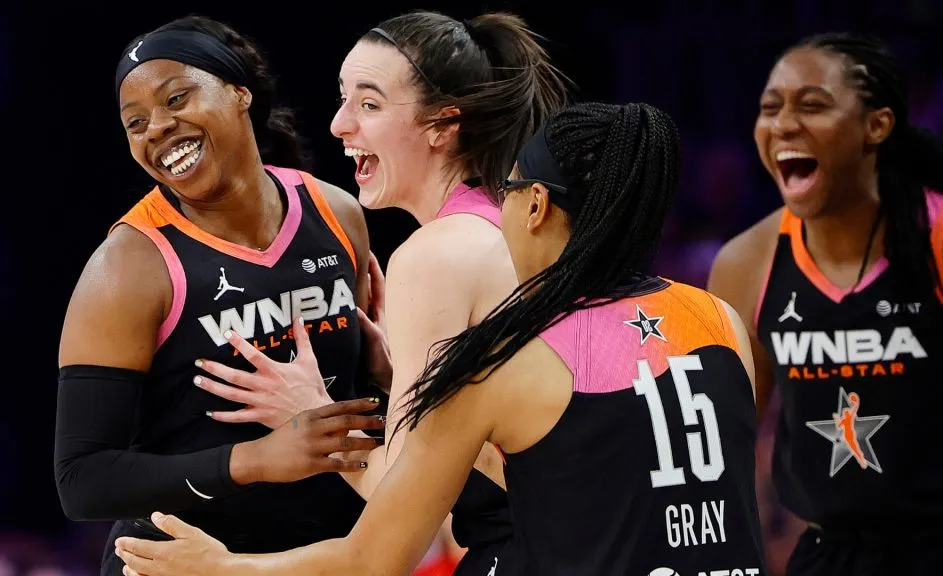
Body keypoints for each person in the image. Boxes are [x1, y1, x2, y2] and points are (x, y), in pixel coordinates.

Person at [115, 101, 768, 576]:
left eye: (506, 193)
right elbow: (599, 474)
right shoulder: (720, 322)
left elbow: (373, 557)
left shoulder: (502, 359)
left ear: (535, 204)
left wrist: (222, 567)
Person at [181, 10, 570, 574]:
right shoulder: (500, 222)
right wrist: (396, 375)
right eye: (343, 99)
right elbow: (512, 442)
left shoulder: (436, 255)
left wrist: (312, 412)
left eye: (369, 104)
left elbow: (403, 510)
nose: (339, 124)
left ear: (442, 124)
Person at [54, 15, 386, 576]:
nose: (156, 127)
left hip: (321, 556)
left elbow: (356, 401)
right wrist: (255, 460)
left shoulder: (337, 213)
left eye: (177, 97)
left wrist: (390, 373)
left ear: (239, 94)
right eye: (135, 123)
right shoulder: (130, 265)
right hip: (180, 561)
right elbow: (82, 482)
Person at [706, 32, 943, 575]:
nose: (783, 124)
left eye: (812, 105)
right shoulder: (745, 265)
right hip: (831, 557)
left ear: (876, 125)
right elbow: (721, 443)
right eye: (770, 108)